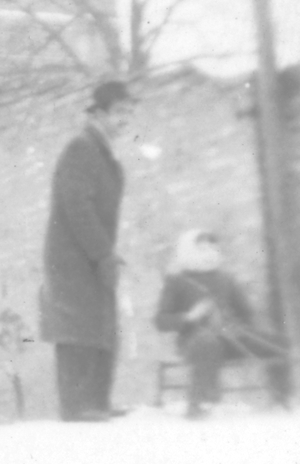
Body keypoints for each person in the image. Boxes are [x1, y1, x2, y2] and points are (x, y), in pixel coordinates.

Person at [39, 80, 133, 422]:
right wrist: (102, 253)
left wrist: (105, 254)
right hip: (72, 258)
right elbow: (76, 205)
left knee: (99, 323)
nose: (126, 119)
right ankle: (77, 406)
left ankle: (97, 402)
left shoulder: (104, 153)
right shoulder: (81, 148)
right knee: (78, 328)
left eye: (130, 113)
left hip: (91, 256)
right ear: (99, 113)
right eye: (121, 112)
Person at [154, 229, 287, 418]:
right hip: (193, 341)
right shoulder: (176, 281)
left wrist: (237, 325)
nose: (208, 252)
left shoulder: (225, 278)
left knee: (281, 343)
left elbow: (247, 313)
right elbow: (161, 320)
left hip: (229, 338)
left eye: (211, 247)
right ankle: (200, 403)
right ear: (187, 250)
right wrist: (189, 317)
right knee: (207, 342)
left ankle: (282, 399)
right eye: (201, 248)